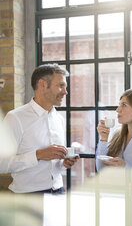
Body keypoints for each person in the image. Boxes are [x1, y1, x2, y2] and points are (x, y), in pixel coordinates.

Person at [3, 63, 79, 193]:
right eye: (60, 86)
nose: (65, 92)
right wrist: (38, 155)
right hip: (28, 196)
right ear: (43, 85)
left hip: (58, 190)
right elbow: (2, 164)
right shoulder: (15, 118)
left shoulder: (59, 119)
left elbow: (52, 165)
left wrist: (63, 164)